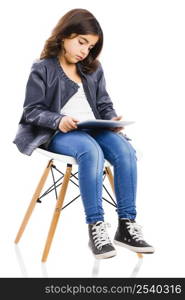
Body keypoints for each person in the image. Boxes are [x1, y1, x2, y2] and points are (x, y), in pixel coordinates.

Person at [13, 8, 155, 259]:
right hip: (60, 133)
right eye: (81, 42)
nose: (84, 51)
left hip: (94, 127)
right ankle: (96, 226)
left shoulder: (92, 69)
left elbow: (104, 104)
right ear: (65, 35)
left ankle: (126, 225)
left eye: (89, 47)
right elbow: (31, 111)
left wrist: (111, 120)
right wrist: (59, 120)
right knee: (90, 151)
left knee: (125, 150)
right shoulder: (42, 68)